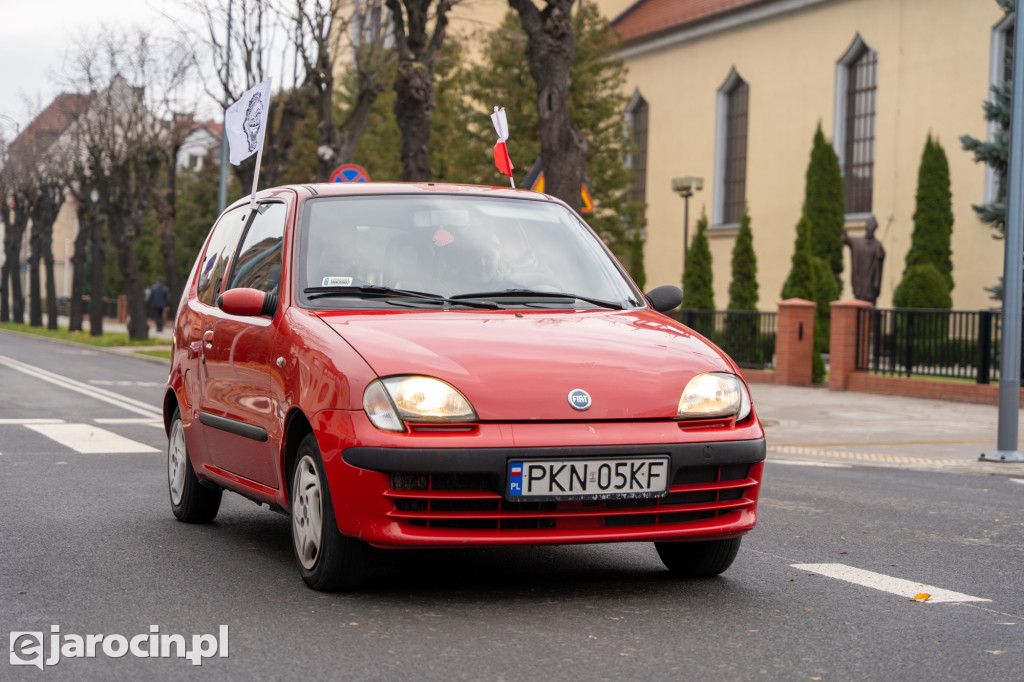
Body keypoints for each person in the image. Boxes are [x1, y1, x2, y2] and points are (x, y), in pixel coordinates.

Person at [843, 215, 886, 305]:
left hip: (870, 281)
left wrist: (880, 255)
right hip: (859, 280)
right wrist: (844, 232)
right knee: (858, 300)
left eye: (872, 228)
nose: (870, 229)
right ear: (866, 227)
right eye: (869, 227)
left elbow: (881, 258)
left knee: (869, 302)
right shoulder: (858, 241)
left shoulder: (877, 245)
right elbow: (847, 240)